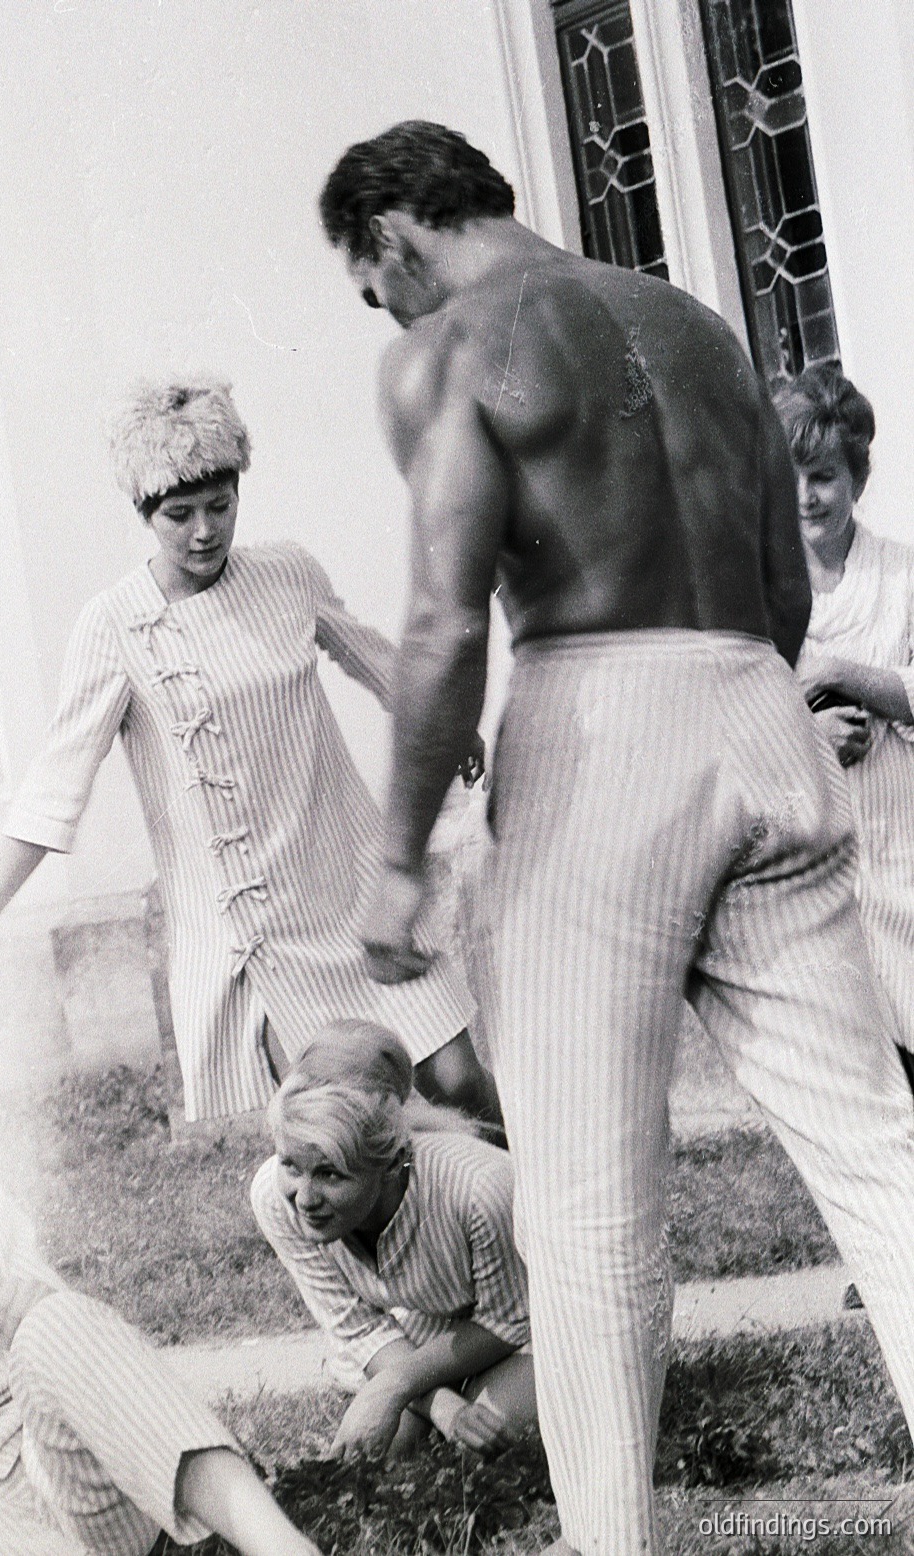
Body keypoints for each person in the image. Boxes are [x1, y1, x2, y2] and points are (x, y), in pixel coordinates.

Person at [318, 119, 914, 1555]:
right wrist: (734, 723)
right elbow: (779, 593)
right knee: (883, 1156)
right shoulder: (703, 332)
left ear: (397, 234)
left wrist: (398, 859)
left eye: (370, 285)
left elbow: (448, 615)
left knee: (583, 1212)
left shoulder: (451, 345)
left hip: (602, 716)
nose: (383, 314)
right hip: (756, 706)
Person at [0, 376, 499, 1128]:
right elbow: (55, 784)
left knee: (460, 1083)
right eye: (178, 515)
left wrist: (448, 727)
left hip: (350, 882)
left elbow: (375, 658)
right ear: (143, 513)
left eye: (220, 505)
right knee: (345, 1126)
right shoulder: (114, 625)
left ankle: (522, 1237)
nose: (203, 531)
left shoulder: (286, 572)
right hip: (263, 929)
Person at [0, 997, 321, 1556]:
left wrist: (38, 1305)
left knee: (59, 1319)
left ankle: (281, 1547)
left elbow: (75, 1359)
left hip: (57, 1489)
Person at [250, 1020, 536, 1463]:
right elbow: (358, 1326)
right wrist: (439, 1405)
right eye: (291, 1165)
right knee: (380, 1455)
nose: (304, 1199)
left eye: (330, 1173)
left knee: (485, 1447)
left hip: (528, 1322)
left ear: (391, 1162)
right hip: (423, 1331)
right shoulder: (275, 1197)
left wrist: (394, 1387)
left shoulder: (479, 1185)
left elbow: (511, 1318)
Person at [776, 364, 914, 1093]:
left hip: (905, 850)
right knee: (861, 1084)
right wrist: (811, 739)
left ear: (856, 476)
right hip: (821, 869)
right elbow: (741, 723)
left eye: (824, 474)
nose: (807, 496)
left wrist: (842, 674)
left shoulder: (902, 578)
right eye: (793, 476)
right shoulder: (766, 596)